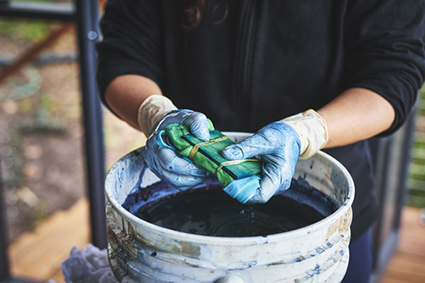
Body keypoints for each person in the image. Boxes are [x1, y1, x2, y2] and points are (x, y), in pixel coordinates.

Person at [96, 1, 425, 282]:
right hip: (174, 231)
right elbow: (124, 53)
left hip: (323, 231)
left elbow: (393, 72)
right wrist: (156, 115)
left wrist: (305, 132)